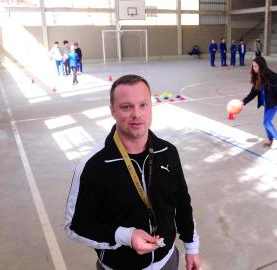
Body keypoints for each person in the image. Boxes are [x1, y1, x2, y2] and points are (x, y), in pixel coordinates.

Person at [64, 74, 202, 270]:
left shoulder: (168, 152)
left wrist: (192, 246)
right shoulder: (93, 166)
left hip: (167, 260)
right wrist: (125, 236)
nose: (137, 114)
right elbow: (75, 226)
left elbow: (182, 202)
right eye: (126, 107)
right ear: (112, 111)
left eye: (143, 105)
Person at [242, 57, 277, 150]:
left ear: (261, 66)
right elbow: (253, 93)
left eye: (256, 66)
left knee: (267, 122)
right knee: (265, 122)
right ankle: (271, 140)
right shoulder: (258, 77)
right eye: (253, 66)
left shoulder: (271, 76)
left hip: (274, 103)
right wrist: (244, 101)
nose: (254, 68)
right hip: (267, 104)